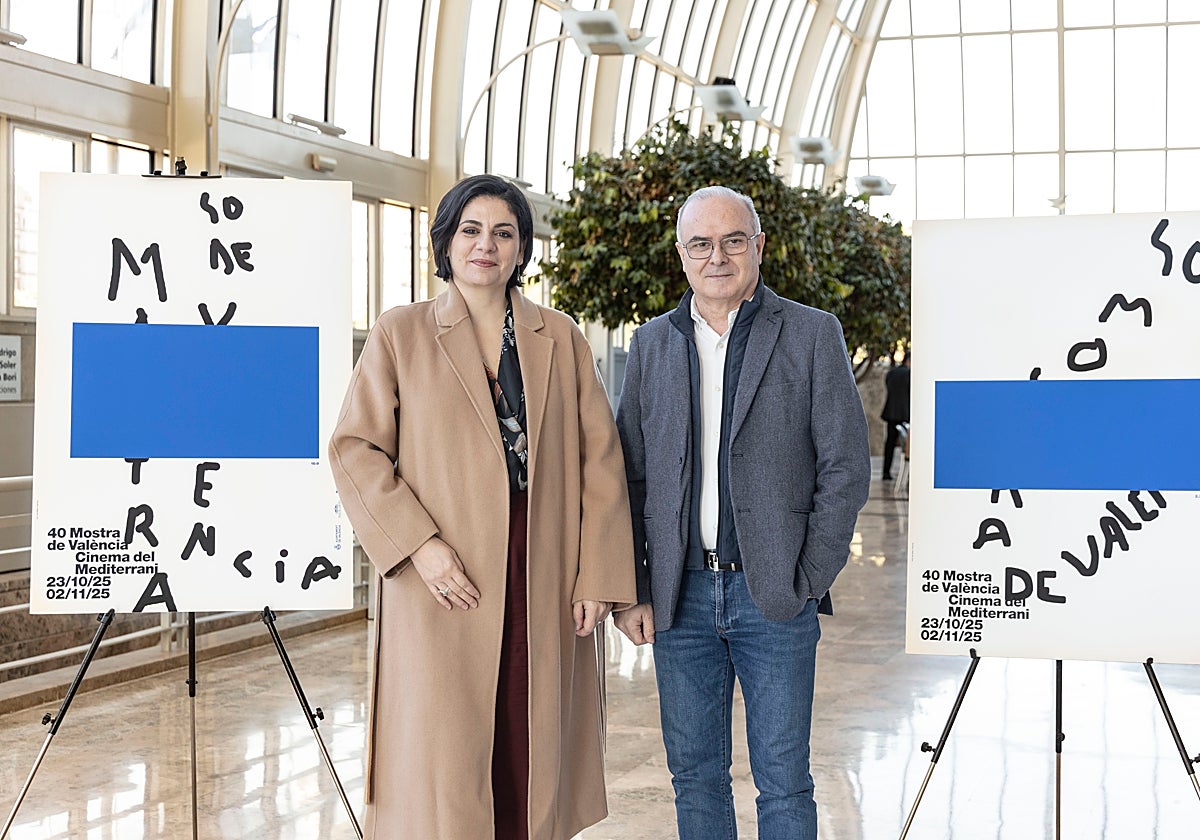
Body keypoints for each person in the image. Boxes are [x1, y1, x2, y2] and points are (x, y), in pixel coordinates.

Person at [329, 174, 636, 840]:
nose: (485, 246)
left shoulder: (560, 336)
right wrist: (420, 546)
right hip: (444, 569)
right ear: (445, 241)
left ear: (522, 248)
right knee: (446, 752)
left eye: (503, 232)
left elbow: (601, 463)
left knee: (534, 741)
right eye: (470, 230)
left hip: (544, 561)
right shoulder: (401, 333)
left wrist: (599, 577)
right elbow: (355, 450)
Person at [613, 185, 870, 840]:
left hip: (774, 596)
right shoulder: (652, 345)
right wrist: (634, 590)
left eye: (733, 240)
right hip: (680, 599)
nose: (717, 256)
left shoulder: (812, 334)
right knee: (694, 772)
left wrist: (807, 577)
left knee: (784, 777)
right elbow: (630, 477)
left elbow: (845, 465)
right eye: (701, 243)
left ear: (757, 246)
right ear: (682, 255)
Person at [880, 352, 911, 481]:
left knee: (890, 444)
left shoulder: (892, 373)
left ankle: (885, 472)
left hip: (891, 413)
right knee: (908, 446)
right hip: (904, 414)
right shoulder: (909, 375)